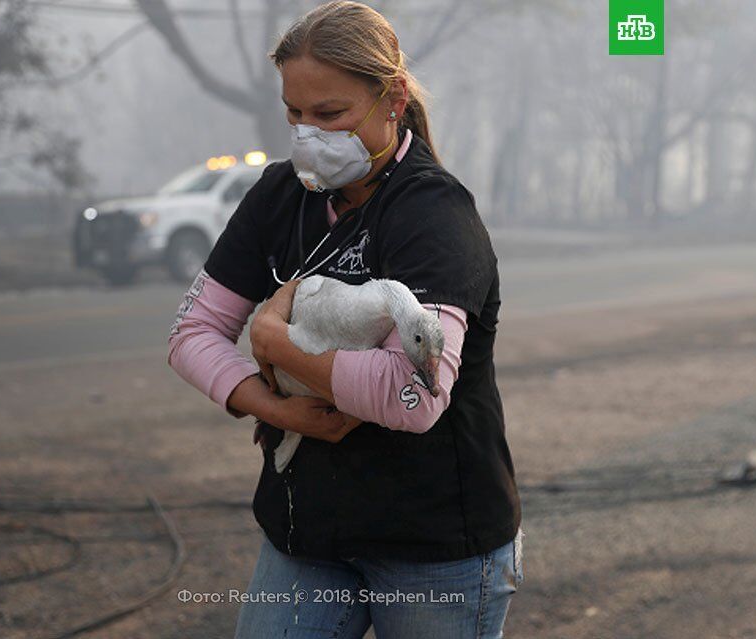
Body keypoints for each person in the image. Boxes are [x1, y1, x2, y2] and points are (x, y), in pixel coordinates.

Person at [167, 2, 523, 637]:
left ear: (392, 98)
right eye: (294, 115)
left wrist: (275, 343)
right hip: (307, 532)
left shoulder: (435, 214)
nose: (308, 134)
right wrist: (273, 408)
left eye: (329, 114)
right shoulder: (277, 197)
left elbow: (414, 395)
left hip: (434, 542)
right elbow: (191, 333)